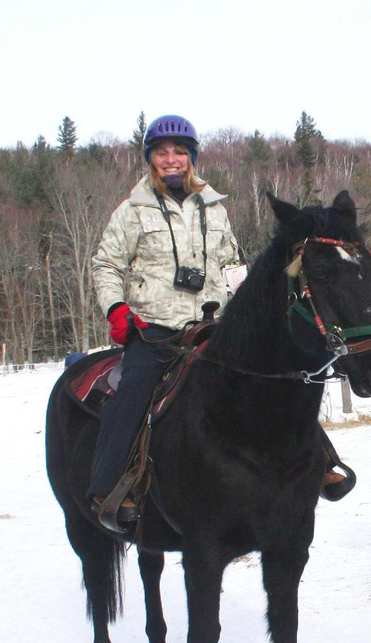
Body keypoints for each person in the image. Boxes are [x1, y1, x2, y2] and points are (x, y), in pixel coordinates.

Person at [88, 114, 241, 526]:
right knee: (134, 390)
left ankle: (317, 461)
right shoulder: (132, 210)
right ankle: (109, 489)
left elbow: (231, 264)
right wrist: (115, 309)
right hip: (155, 329)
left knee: (264, 373)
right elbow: (105, 265)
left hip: (212, 323)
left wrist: (244, 300)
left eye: (179, 152)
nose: (171, 159)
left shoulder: (215, 208)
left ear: (191, 158)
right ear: (150, 159)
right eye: (162, 152)